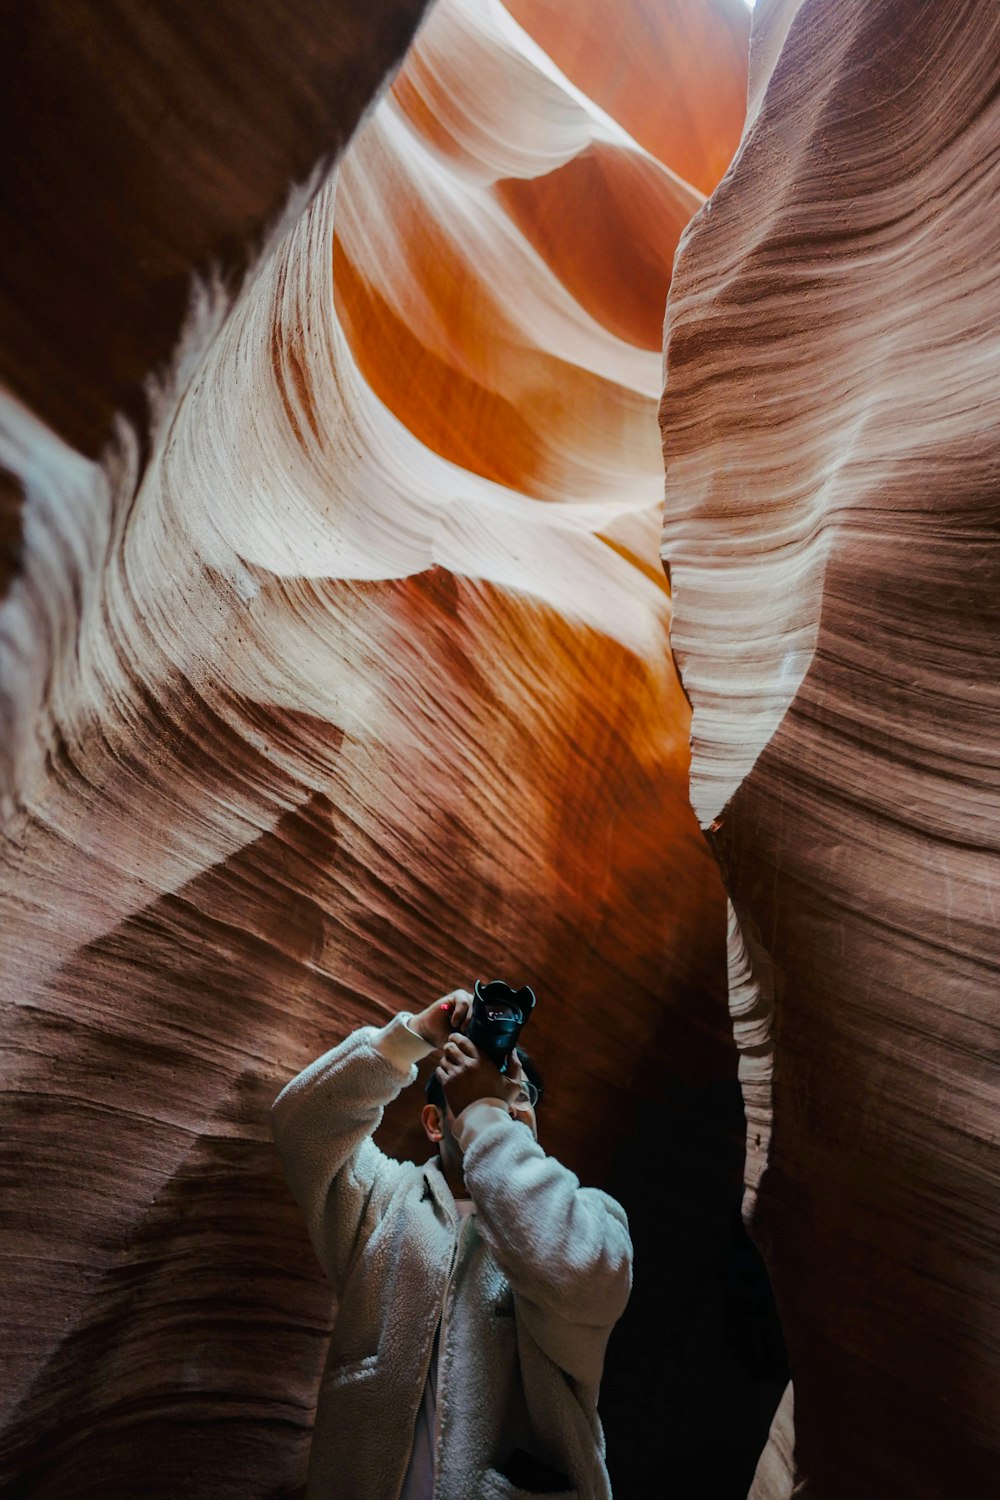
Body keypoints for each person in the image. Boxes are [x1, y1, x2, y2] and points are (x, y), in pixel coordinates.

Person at [272, 986, 633, 1500]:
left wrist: (484, 1110)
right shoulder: (382, 1201)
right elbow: (302, 1126)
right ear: (435, 1124)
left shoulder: (590, 1215)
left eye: (519, 1097)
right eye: (470, 1099)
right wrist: (414, 1037)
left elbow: (576, 1267)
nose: (506, 1107)